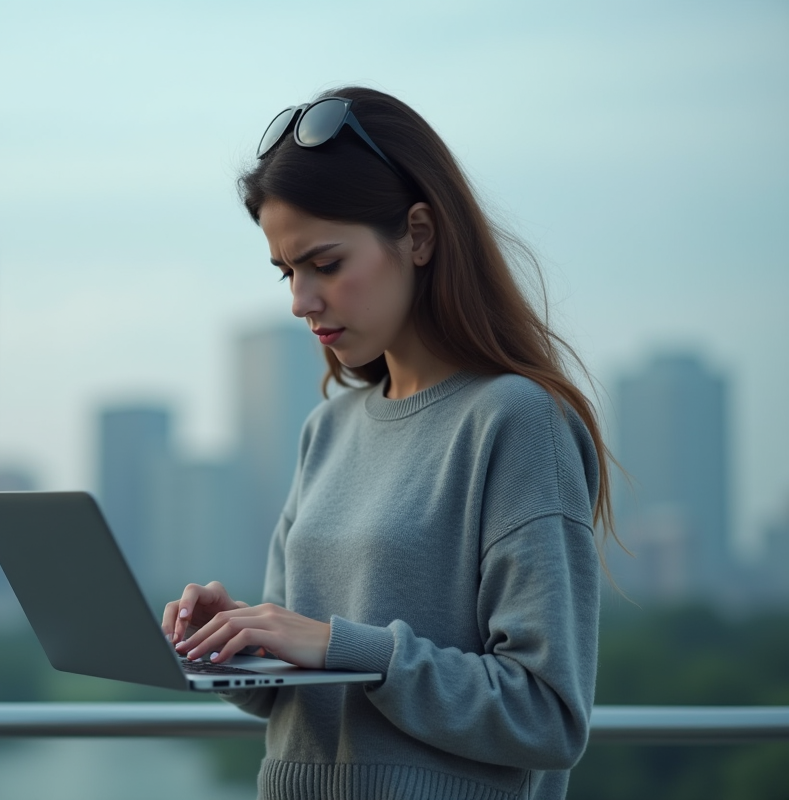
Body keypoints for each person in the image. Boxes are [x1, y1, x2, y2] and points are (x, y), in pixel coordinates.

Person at [160, 87, 617, 800]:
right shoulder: (327, 429)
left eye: (325, 264)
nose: (300, 301)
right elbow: (290, 695)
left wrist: (338, 645)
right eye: (287, 272)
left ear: (420, 235)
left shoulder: (517, 421)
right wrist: (240, 640)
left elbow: (546, 717)